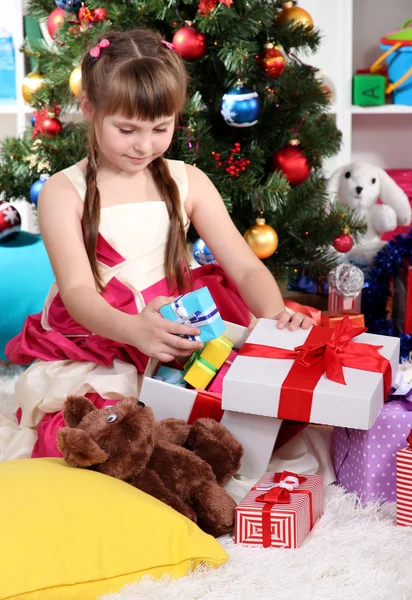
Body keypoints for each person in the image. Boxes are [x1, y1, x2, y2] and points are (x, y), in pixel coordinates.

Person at [2, 28, 312, 461]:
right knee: (103, 435)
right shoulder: (62, 191)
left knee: (237, 419)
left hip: (173, 330)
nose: (144, 145)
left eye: (160, 128)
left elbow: (243, 267)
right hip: (101, 336)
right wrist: (132, 331)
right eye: (127, 129)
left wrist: (275, 313)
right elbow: (76, 291)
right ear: (90, 110)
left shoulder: (190, 181)